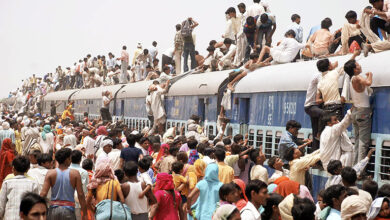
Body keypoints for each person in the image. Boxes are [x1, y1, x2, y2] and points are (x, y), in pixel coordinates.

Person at [40, 148, 88, 220]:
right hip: (69, 210)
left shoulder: (50, 173)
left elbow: (43, 194)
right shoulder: (75, 174)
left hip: (53, 210)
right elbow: (80, 194)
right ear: (67, 159)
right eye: (70, 158)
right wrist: (84, 213)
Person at [344, 59, 373, 164]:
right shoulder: (357, 77)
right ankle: (359, 171)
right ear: (354, 69)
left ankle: (355, 166)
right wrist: (370, 75)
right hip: (363, 112)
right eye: (357, 65)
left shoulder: (351, 79)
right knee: (363, 143)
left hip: (356, 111)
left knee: (357, 142)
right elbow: (368, 82)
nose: (360, 66)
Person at [69, 150, 89, 219]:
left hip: (66, 203)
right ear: (80, 159)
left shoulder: (65, 170)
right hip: (78, 204)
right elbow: (85, 190)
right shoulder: (84, 172)